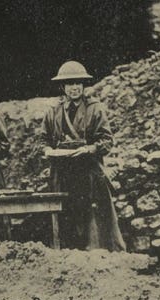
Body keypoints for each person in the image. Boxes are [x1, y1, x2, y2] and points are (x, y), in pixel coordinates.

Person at [41, 61, 126, 251]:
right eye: (70, 84)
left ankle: (99, 255)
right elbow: (42, 139)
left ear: (83, 85)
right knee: (65, 216)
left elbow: (107, 140)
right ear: (62, 87)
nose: (74, 88)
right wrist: (47, 150)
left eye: (78, 83)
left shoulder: (95, 108)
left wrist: (89, 149)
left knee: (93, 219)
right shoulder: (53, 111)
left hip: (88, 171)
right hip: (62, 173)